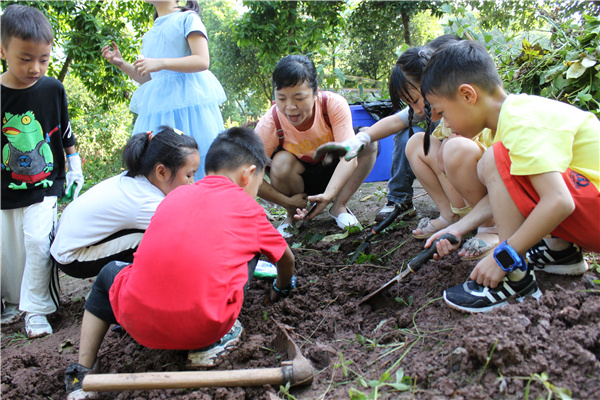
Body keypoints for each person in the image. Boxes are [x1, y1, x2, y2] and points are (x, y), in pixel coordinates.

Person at [64, 127, 296, 400]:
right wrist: (281, 289)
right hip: (205, 326)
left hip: (138, 323)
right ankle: (216, 340)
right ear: (247, 175)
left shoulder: (173, 196)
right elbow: (285, 259)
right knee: (253, 249)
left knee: (107, 274)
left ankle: (81, 374)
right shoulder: (250, 210)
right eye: (259, 182)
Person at [421, 40, 600, 313]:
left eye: (443, 112)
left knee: (494, 159)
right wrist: (458, 227)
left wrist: (504, 255)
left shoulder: (519, 121)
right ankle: (561, 253)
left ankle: (515, 278)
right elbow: (506, 194)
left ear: (468, 95)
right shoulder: (507, 120)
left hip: (592, 213)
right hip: (590, 207)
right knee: (493, 163)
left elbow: (560, 202)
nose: (444, 124)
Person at [1, 4, 84, 338]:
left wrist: (75, 166)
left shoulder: (53, 90)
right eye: (25, 58)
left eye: (44, 59)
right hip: (4, 188)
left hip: (46, 183)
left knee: (37, 240)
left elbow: (64, 132)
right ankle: (10, 304)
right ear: (3, 49)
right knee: (8, 248)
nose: (35, 67)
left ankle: (37, 310)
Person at [50, 126, 199, 279]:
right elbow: (190, 232)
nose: (192, 183)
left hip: (69, 243)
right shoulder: (146, 202)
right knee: (159, 239)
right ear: (161, 172)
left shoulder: (137, 181)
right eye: (188, 175)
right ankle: (118, 288)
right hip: (73, 257)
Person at [255, 54, 378, 238]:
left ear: (315, 93)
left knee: (368, 142)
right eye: (281, 99)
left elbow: (350, 155)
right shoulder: (270, 123)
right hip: (299, 182)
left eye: (299, 98)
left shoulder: (333, 106)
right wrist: (287, 201)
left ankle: (339, 206)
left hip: (335, 173)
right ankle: (293, 216)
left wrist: (329, 195)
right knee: (280, 162)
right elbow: (248, 174)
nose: (290, 107)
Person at [101, 0, 226, 180]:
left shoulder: (188, 18)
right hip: (160, 113)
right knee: (160, 168)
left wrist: (161, 63)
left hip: (191, 110)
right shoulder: (150, 34)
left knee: (196, 165)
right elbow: (149, 79)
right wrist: (121, 63)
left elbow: (202, 60)